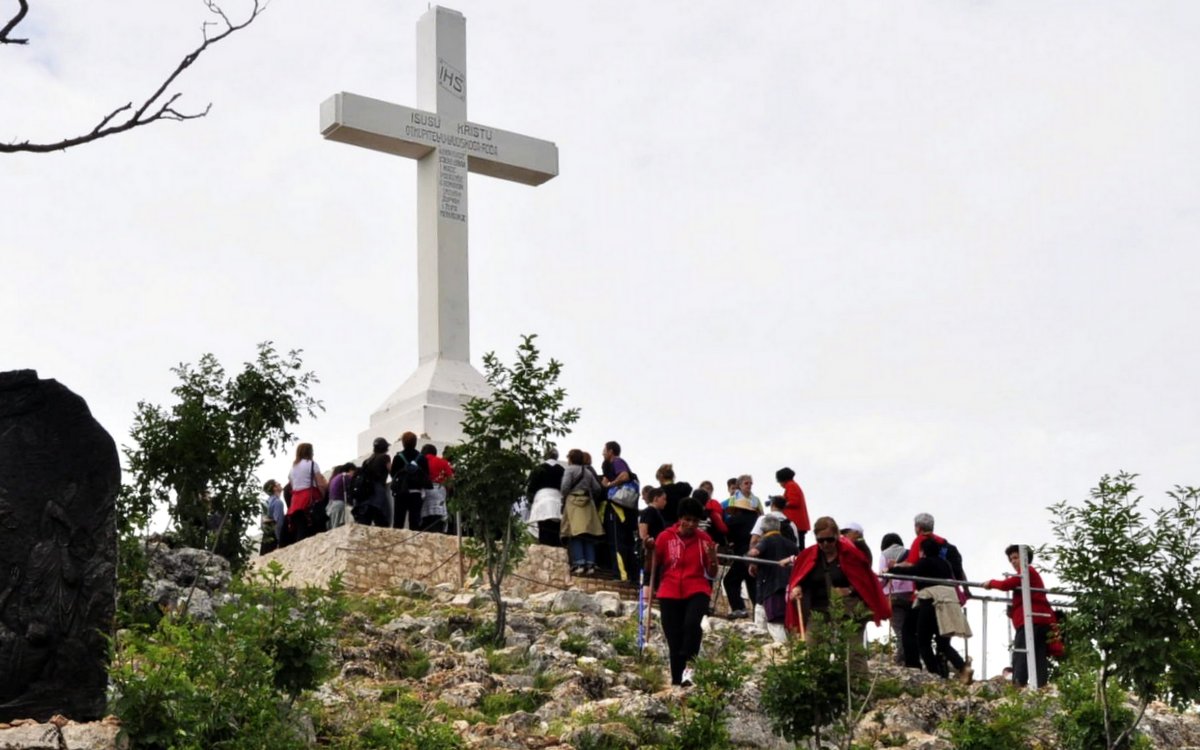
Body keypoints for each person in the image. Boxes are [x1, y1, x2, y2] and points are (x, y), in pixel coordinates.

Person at [785, 517, 891, 676]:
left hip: (849, 610)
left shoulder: (851, 555)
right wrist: (797, 587)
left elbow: (865, 581)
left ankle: (858, 688)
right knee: (813, 649)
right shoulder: (809, 556)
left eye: (829, 540)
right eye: (821, 540)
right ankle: (820, 689)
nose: (826, 544)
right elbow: (800, 578)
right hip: (819, 610)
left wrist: (849, 590)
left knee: (853, 651)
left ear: (836, 536)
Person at [650, 497, 719, 686]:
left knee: (691, 626)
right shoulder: (665, 537)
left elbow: (712, 572)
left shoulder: (704, 539)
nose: (690, 524)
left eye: (695, 521)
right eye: (687, 519)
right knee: (673, 636)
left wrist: (713, 558)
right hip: (669, 591)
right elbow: (653, 566)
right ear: (680, 518)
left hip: (697, 589)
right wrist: (649, 551)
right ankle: (676, 680)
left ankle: (689, 669)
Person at [895, 536, 972, 682]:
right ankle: (962, 667)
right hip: (949, 603)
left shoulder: (925, 562)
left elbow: (911, 572)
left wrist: (892, 569)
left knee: (923, 640)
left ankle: (935, 673)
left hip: (931, 602)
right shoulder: (945, 563)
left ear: (922, 551)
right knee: (942, 642)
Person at [984, 545, 1054, 687]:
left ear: (1024, 558)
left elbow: (1005, 585)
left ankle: (1018, 684)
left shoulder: (1026, 571)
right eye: (1011, 560)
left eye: (1016, 558)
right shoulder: (1029, 574)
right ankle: (1041, 685)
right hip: (1041, 620)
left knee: (1021, 653)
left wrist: (990, 583)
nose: (1013, 562)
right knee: (1038, 654)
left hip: (1032, 620)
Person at [749, 515, 798, 643]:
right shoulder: (791, 545)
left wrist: (750, 559)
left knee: (773, 624)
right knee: (782, 624)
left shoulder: (766, 540)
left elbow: (754, 553)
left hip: (770, 588)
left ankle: (783, 654)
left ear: (763, 530)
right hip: (788, 588)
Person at [560, 448, 604, 576]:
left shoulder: (570, 470)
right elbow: (597, 488)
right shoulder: (588, 472)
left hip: (574, 503)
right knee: (588, 535)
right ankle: (591, 564)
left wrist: (566, 496)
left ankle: (579, 563)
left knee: (575, 533)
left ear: (571, 459)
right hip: (587, 504)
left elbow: (564, 487)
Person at [600, 441, 638, 583]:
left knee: (617, 542)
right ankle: (630, 575)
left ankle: (621, 575)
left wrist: (610, 484)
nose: (603, 453)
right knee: (624, 542)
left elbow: (624, 476)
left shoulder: (617, 461)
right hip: (624, 511)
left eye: (604, 450)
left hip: (618, 508)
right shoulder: (610, 465)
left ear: (611, 451)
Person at [878, 532, 915, 666]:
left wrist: (878, 590)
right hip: (910, 595)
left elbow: (882, 577)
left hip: (893, 595)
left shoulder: (885, 555)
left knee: (899, 629)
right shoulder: (910, 553)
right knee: (910, 629)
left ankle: (901, 658)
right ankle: (913, 658)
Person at [722, 496, 759, 619]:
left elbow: (725, 531)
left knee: (730, 581)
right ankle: (759, 613)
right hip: (755, 555)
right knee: (752, 583)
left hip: (742, 555)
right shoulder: (756, 519)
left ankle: (739, 608)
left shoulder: (735, 520)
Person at [286, 442, 328, 544]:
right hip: (310, 498)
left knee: (301, 531)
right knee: (317, 528)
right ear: (309, 452)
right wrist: (324, 495)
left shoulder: (292, 469)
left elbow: (291, 485)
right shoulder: (312, 464)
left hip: (295, 502)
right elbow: (320, 483)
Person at [391, 431, 430, 531]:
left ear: (403, 443)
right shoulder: (422, 458)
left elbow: (393, 474)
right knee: (415, 523)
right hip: (416, 494)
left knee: (398, 522)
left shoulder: (398, 457)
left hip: (401, 493)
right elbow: (426, 475)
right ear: (415, 442)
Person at [526, 447, 566, 546]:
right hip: (557, 500)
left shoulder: (538, 468)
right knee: (556, 528)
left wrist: (530, 501)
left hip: (541, 500)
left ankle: (545, 547)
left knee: (543, 527)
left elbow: (531, 486)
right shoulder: (562, 470)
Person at [355, 437, 392, 527]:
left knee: (365, 525)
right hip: (378, 492)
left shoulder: (366, 461)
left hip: (366, 495)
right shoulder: (385, 457)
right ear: (385, 448)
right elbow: (392, 471)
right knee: (383, 522)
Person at [420, 443, 454, 533]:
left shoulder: (419, 461)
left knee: (424, 525)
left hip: (423, 495)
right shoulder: (443, 462)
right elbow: (451, 481)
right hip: (439, 495)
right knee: (437, 523)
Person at [638, 486, 668, 587]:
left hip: (655, 551)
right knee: (648, 578)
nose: (665, 502)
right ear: (656, 499)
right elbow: (643, 529)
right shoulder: (649, 511)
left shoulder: (656, 513)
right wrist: (647, 545)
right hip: (650, 552)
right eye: (663, 499)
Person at [775, 467, 811, 548]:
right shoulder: (793, 485)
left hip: (796, 523)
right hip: (798, 524)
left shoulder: (791, 485)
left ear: (782, 479)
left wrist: (781, 503)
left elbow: (794, 501)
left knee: (796, 546)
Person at [325, 463, 354, 530]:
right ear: (350, 470)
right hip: (340, 504)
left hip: (331, 505)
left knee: (334, 528)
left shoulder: (334, 479)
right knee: (340, 528)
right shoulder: (346, 477)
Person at [261, 480, 285, 553]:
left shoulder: (265, 503)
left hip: (266, 538)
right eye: (277, 483)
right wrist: (279, 541)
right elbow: (278, 523)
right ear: (274, 488)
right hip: (274, 537)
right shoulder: (278, 503)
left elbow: (262, 523)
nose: (280, 483)